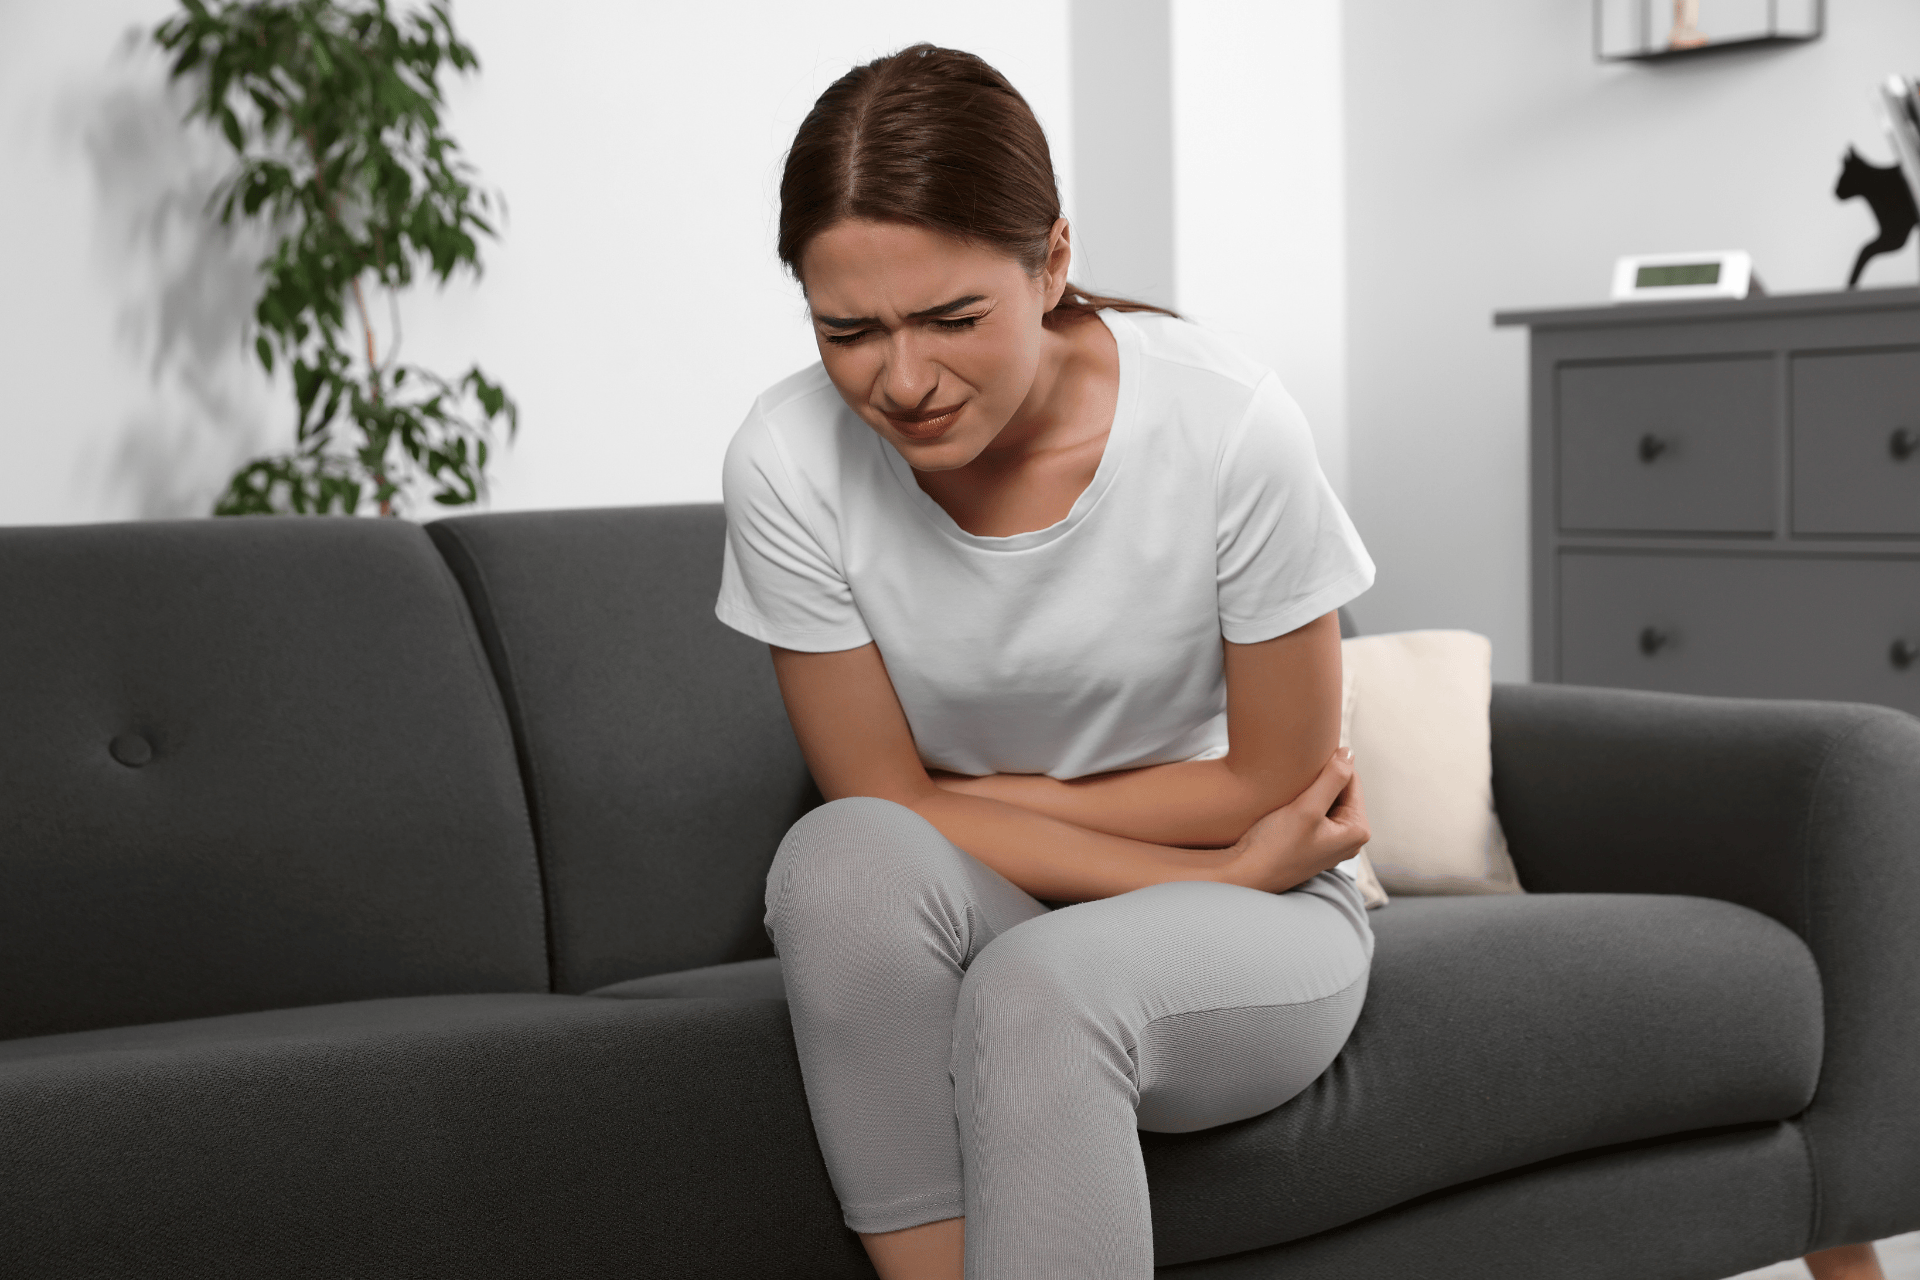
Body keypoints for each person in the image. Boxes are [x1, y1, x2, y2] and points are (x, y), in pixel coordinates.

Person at [716, 43, 1376, 1280]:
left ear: (1053, 261)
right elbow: (879, 812)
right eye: (846, 330)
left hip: (1264, 906)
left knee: (1041, 986)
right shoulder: (786, 458)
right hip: (1042, 893)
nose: (901, 380)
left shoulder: (1228, 422)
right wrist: (924, 813)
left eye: (952, 318)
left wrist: (1231, 870)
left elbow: (1271, 784)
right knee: (836, 860)